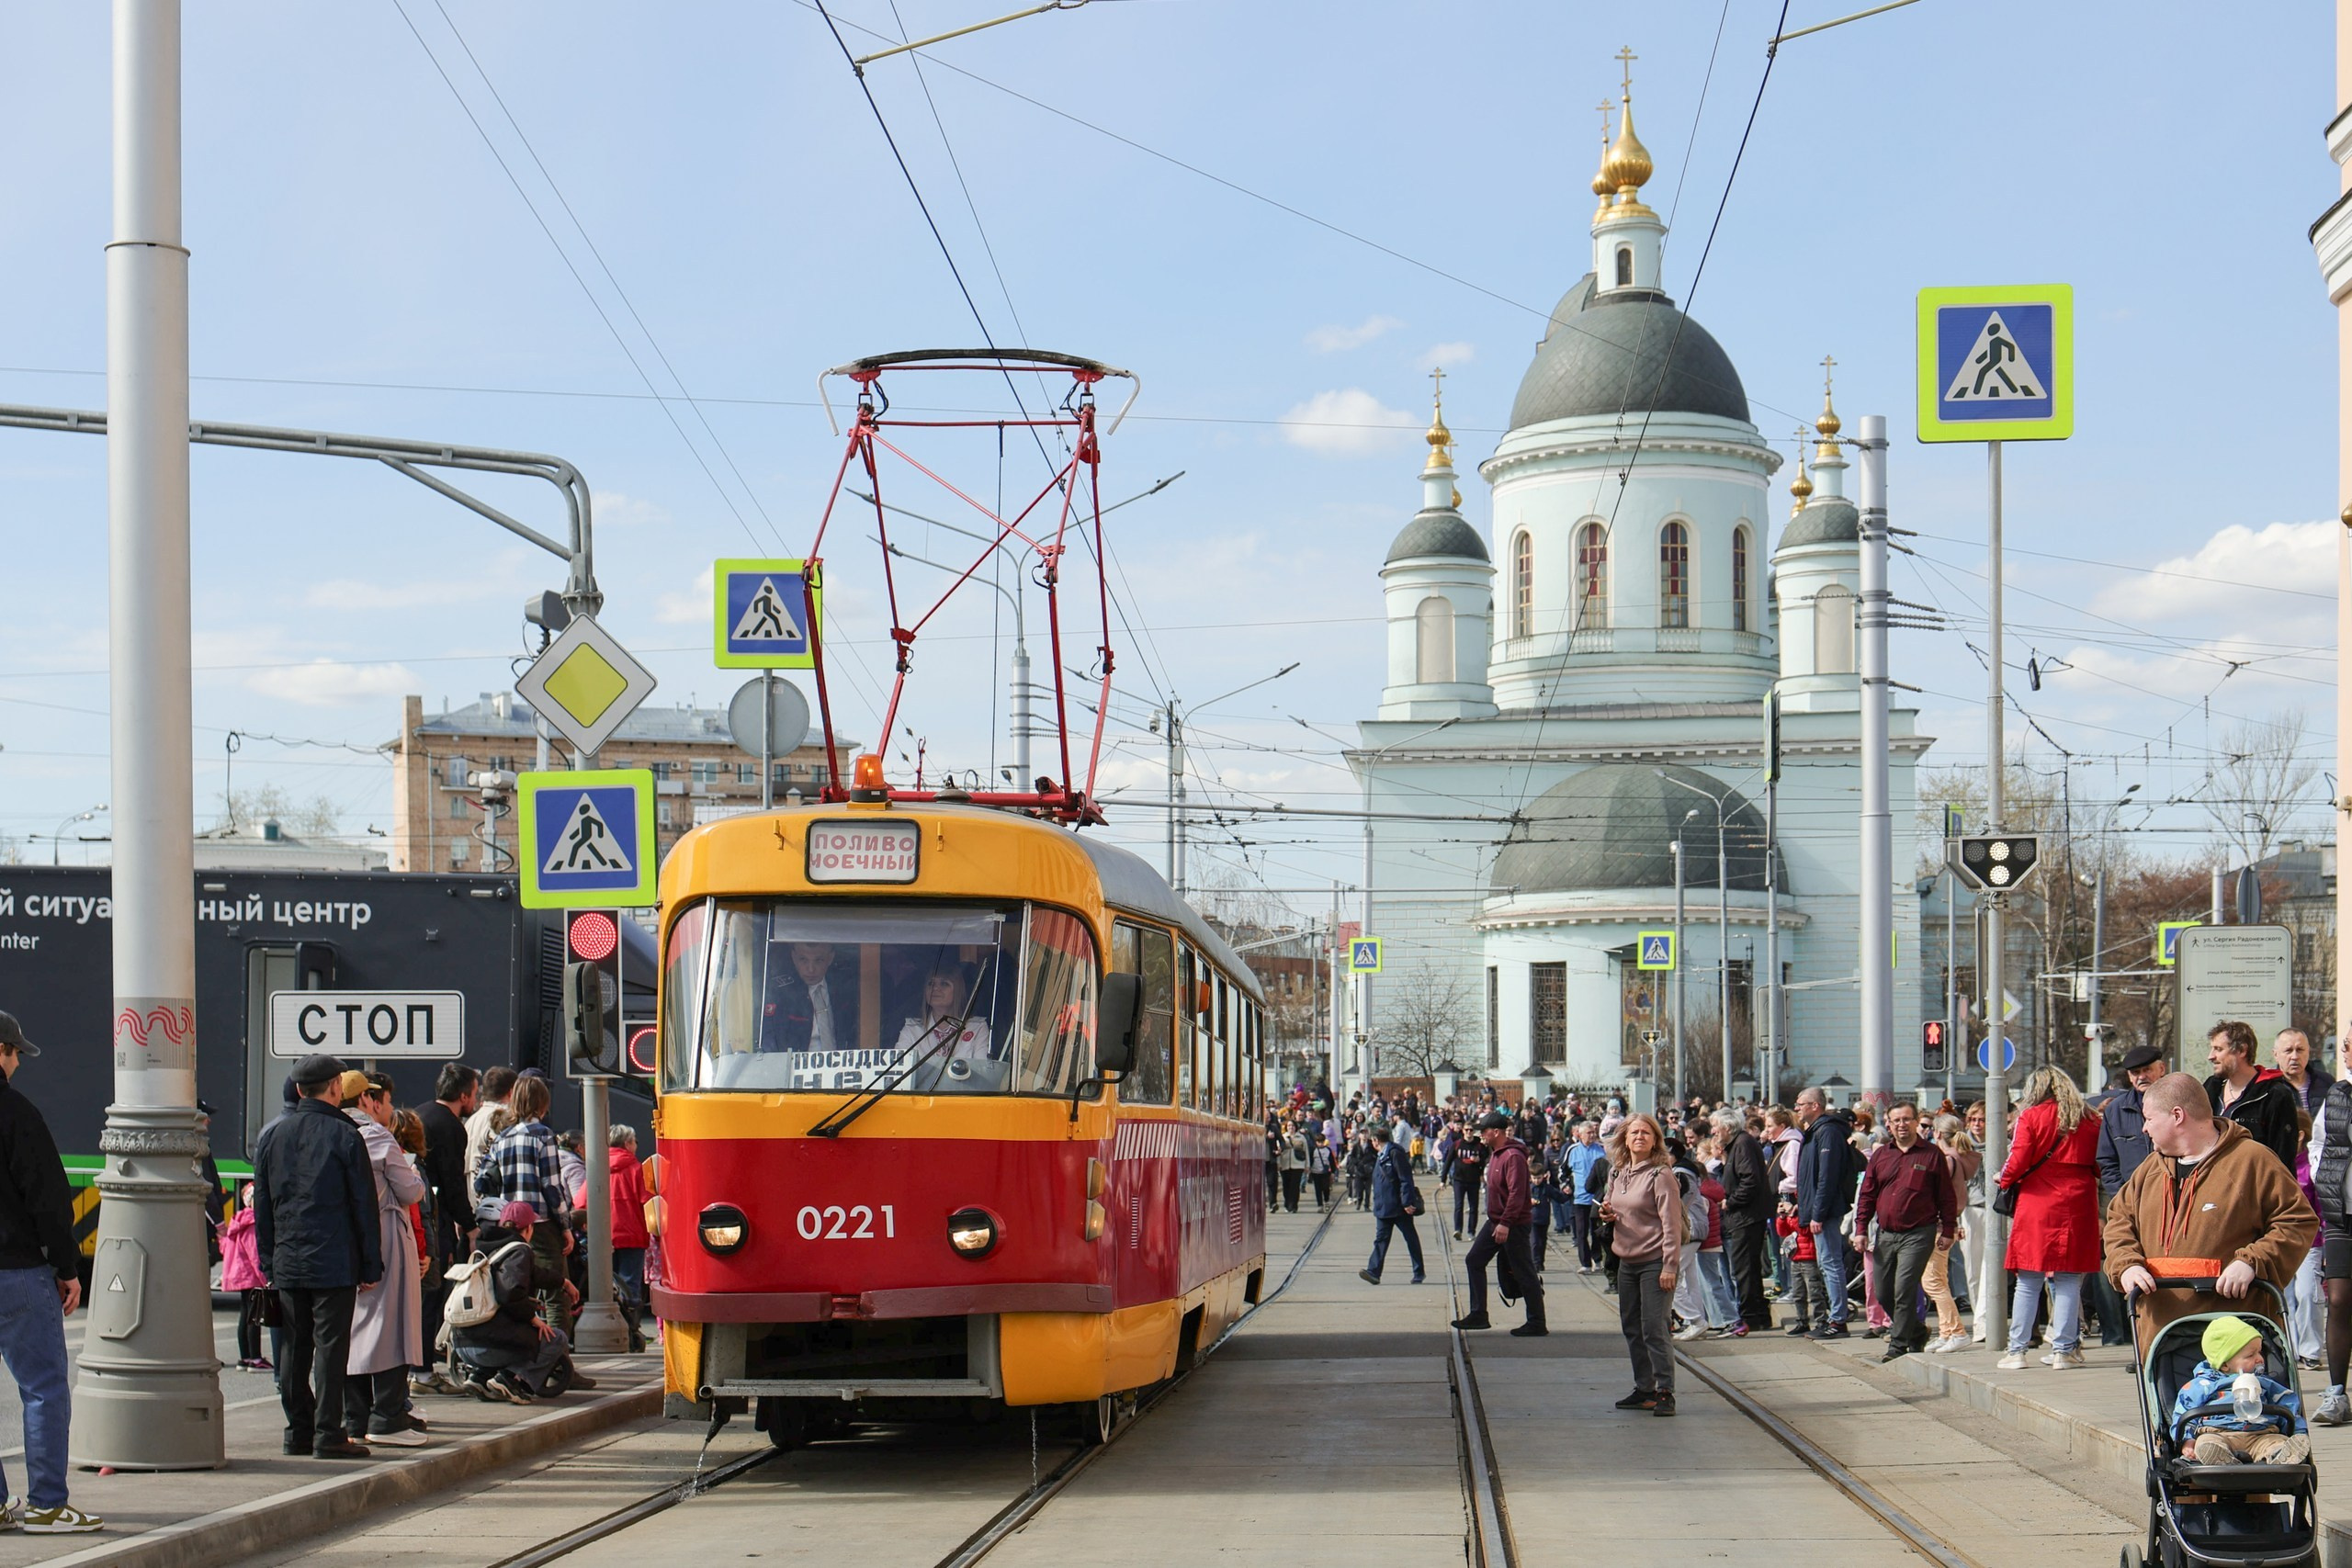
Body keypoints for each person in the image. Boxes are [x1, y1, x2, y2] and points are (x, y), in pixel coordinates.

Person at [2106, 1073, 2317, 1347]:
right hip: (2160, 1344)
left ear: (2177, 1115)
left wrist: (2253, 1261)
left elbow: (2297, 1220)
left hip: (2236, 1341)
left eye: (2149, 1119)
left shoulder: (2251, 1160)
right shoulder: (2149, 1169)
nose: (2144, 1129)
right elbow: (2119, 1221)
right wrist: (2126, 1266)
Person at [252, 1052, 382, 1460]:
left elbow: (263, 1207)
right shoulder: (345, 1136)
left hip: (289, 1259)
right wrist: (369, 1264)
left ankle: (298, 1432)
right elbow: (364, 1205)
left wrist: (269, 1261)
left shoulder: (272, 1135)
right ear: (334, 1088)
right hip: (335, 1259)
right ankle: (329, 1433)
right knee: (331, 1347)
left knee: (293, 1347)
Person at [0, 1012, 99, 1533]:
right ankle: (46, 1505)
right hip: (15, 1270)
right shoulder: (17, 1113)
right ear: (0, 1051)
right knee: (42, 1390)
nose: (18, 1062)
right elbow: (48, 1200)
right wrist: (67, 1268)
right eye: (15, 1052)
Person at [1994, 1066, 2104, 1371]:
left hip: (2037, 1202)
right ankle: (2063, 1350)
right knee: (2069, 1278)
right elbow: (2100, 1163)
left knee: (2028, 1280)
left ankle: (2017, 1351)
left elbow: (2017, 1162)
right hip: (2078, 1202)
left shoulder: (2031, 1117)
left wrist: (2001, 1178)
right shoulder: (2090, 1119)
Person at [340, 1071, 429, 1448]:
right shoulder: (376, 1136)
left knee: (352, 1332)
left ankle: (354, 1418)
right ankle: (388, 1414)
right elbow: (411, 1191)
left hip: (343, 1242)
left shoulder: (332, 1133)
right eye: (384, 1102)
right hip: (386, 1239)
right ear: (366, 1100)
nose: (388, 1109)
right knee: (392, 1326)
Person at [1854, 1102, 1956, 1361]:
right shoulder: (1881, 1155)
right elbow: (1867, 1194)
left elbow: (1946, 1195)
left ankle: (1898, 1345)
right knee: (1884, 1291)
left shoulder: (1931, 1154)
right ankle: (1917, 1331)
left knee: (1904, 1289)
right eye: (1896, 1120)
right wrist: (1861, 1228)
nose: (1902, 1124)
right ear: (1888, 1124)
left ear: (1916, 1122)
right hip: (1886, 1233)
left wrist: (1948, 1230)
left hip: (1919, 1232)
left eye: (1907, 1120)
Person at [453, 1201, 576, 1402]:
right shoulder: (520, 1250)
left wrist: (563, 1282)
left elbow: (534, 1274)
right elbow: (510, 1293)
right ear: (528, 1229)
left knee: (508, 1328)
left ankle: (480, 1377)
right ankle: (510, 1380)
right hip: (490, 1345)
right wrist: (533, 1318)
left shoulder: (485, 1248)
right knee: (556, 1338)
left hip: (463, 1345)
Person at [1600, 1113, 1680, 1416]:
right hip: (1626, 1261)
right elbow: (1611, 1203)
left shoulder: (1661, 1175)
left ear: (1655, 1139)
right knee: (1632, 1327)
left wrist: (1669, 1266)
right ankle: (1644, 1388)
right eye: (1634, 1132)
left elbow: (1671, 1224)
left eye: (1646, 1133)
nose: (1640, 1137)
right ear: (1624, 1138)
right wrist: (1607, 1213)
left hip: (1654, 1261)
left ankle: (1664, 1390)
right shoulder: (1619, 1173)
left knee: (1654, 1328)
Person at [2167, 1314, 2309, 1464]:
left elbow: (2288, 1405)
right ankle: (2218, 1457)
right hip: (2219, 1433)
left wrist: (2297, 1432)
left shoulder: (2264, 1382)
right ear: (2224, 1365)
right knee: (2206, 1442)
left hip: (2261, 1434)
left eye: (2259, 1352)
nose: (2260, 1359)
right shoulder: (2203, 1385)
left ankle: (2281, 1454)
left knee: (2276, 1442)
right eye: (2250, 1355)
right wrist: (2186, 1440)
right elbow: (2184, 1411)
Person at [1452, 1111, 1545, 1337]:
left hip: (1512, 1224)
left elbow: (1516, 1194)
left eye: (1483, 1131)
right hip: (1495, 1221)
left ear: (1496, 1132)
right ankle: (1479, 1314)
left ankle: (1537, 1322)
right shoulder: (1495, 1154)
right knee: (1474, 1260)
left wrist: (1505, 1223)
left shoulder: (1512, 1156)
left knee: (1524, 1272)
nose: (1480, 1135)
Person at [417, 1063, 479, 1395]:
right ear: (464, 1095)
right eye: (475, 1093)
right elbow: (454, 1183)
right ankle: (423, 1370)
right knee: (432, 1295)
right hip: (434, 1220)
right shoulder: (452, 1127)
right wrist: (468, 1225)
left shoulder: (420, 1113)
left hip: (416, 1214)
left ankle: (417, 1366)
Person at [1794, 1087, 1859, 1338]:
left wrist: (1817, 1213)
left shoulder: (1827, 1132)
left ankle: (1838, 1320)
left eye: (1801, 1103)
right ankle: (1834, 1317)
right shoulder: (1815, 1132)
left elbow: (1827, 1177)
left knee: (1831, 1263)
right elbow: (1812, 1176)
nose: (1797, 1108)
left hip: (1826, 1210)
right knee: (1826, 1262)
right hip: (1818, 1208)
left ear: (1815, 1106)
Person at [1713, 1107, 1775, 1335]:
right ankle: (1757, 1315)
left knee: (1745, 1268)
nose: (1713, 1131)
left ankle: (1751, 1315)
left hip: (1746, 1216)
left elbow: (1750, 1180)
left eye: (1716, 1127)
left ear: (1727, 1128)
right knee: (1747, 1267)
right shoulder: (1738, 1145)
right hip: (1744, 1216)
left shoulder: (1743, 1144)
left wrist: (1731, 1201)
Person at [2206, 1020, 2300, 1169]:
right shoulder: (2211, 1087)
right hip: (2213, 1184)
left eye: (2218, 1049)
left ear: (2242, 1051)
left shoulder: (2274, 1095)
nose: (2211, 1056)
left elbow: (2283, 1157)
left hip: (2253, 1187)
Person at [1922, 1116, 1976, 1352]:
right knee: (1939, 1280)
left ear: (1936, 1133)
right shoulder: (1957, 1158)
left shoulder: (1946, 1159)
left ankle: (1957, 1331)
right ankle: (1947, 1332)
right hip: (1947, 1224)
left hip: (1939, 1225)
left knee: (1932, 1281)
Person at [1358, 1126, 1426, 1285]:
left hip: (1400, 1207)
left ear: (1376, 1141)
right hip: (1383, 1207)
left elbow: (1406, 1179)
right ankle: (1374, 1272)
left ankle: (1419, 1272)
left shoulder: (1395, 1153)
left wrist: (1408, 1202)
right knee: (1381, 1239)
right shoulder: (1380, 1155)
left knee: (1411, 1239)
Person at [764, 942, 856, 1053]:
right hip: (798, 1066)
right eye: (803, 960)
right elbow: (770, 1042)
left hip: (842, 1065)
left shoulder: (844, 988)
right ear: (794, 957)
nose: (811, 969)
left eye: (819, 960)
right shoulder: (781, 994)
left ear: (830, 958)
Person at [608, 1124, 651, 1351]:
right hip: (632, 1235)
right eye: (634, 1142)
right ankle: (630, 1332)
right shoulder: (636, 1169)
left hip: (604, 1238)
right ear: (627, 1144)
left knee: (607, 1285)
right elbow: (647, 1202)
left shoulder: (597, 1166)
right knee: (630, 1285)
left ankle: (612, 1329)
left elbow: (580, 1201)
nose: (636, 1146)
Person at [1775, 1198, 1824, 1337]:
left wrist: (1793, 1214)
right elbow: (1783, 1232)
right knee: (1798, 1294)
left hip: (1809, 1258)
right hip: (1795, 1257)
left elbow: (1805, 1230)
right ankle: (1802, 1321)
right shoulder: (1793, 1213)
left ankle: (1821, 1321)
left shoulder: (1806, 1210)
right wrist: (1782, 1217)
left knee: (1814, 1292)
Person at [463, 1066, 517, 1189]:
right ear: (511, 1092)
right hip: (494, 1194)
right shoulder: (506, 1118)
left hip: (471, 1190)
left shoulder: (472, 1119)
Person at [1565, 1121, 1605, 1273]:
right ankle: (1585, 1263)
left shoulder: (1601, 1150)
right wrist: (1566, 1185)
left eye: (1593, 1132)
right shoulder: (1572, 1150)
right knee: (1581, 1233)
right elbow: (1563, 1171)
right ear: (1580, 1134)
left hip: (1597, 1198)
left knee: (1597, 1232)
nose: (1592, 1135)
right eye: (1589, 1133)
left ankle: (1598, 1260)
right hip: (1580, 1198)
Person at [1445, 1118, 1487, 1241]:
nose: (1469, 1132)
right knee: (1459, 1205)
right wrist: (1443, 1179)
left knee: (1473, 1207)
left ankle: (1471, 1231)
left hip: (1474, 1180)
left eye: (1471, 1130)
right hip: (1459, 1179)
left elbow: (1486, 1162)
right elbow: (1448, 1161)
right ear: (1463, 1131)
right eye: (1467, 1130)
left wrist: (1479, 1162)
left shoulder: (1479, 1146)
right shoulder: (1457, 1144)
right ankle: (1458, 1229)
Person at [2275, 1029, 2335, 1116]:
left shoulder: (2327, 1082)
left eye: (2300, 1050)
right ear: (2276, 1054)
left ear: (2308, 1051)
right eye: (2288, 1051)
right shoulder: (2269, 1087)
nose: (2295, 1057)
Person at [1277, 1122, 1308, 1214]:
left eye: (1293, 1126)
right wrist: (1278, 1163)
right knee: (1286, 1185)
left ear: (1296, 1127)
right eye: (1289, 1126)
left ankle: (1294, 1205)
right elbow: (1279, 1151)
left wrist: (1307, 1165)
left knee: (1295, 1186)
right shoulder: (1283, 1137)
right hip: (1285, 1164)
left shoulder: (1301, 1138)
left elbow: (1306, 1151)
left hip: (1298, 1164)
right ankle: (1287, 1204)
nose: (1291, 1127)